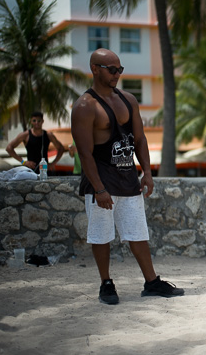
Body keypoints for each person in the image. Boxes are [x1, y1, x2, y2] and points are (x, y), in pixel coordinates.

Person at [71, 48, 184, 305]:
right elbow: (85, 153)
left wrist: (147, 172)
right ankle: (106, 284)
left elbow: (140, 139)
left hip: (127, 178)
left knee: (137, 232)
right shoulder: (85, 106)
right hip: (101, 181)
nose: (117, 74)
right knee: (101, 234)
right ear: (95, 69)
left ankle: (152, 282)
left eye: (119, 69)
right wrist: (99, 189)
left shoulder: (129, 100)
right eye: (112, 69)